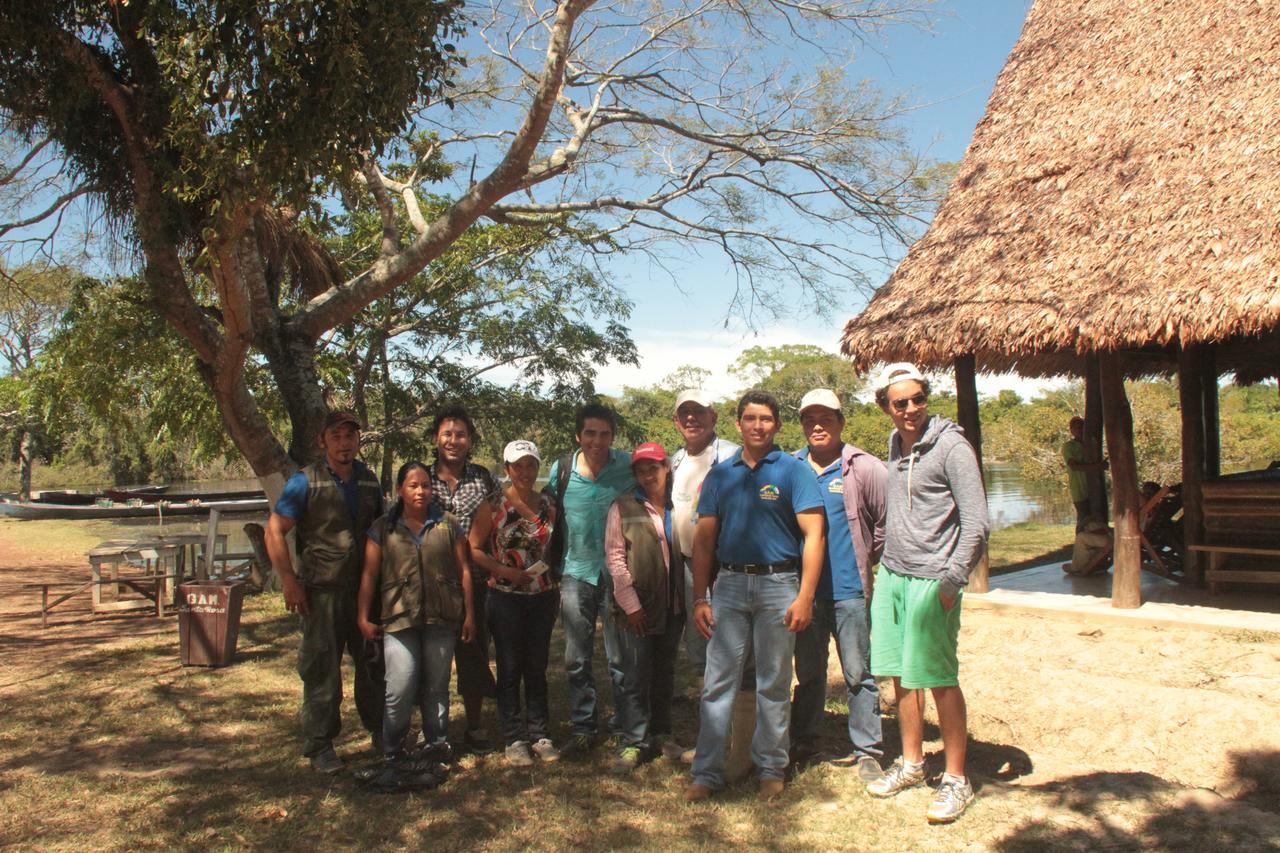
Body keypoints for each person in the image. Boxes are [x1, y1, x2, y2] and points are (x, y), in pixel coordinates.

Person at [684, 390, 825, 802]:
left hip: (779, 585)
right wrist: (699, 597)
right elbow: (704, 541)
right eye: (750, 418)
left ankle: (770, 768)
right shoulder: (721, 474)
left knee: (774, 683)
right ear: (738, 424)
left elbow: (814, 535)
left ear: (776, 425)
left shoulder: (794, 471)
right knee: (717, 683)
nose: (758, 425)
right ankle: (706, 773)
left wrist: (805, 597)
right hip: (728, 585)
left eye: (765, 419)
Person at [867, 363, 989, 825]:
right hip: (894, 575)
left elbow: (977, 522)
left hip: (933, 579)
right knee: (899, 675)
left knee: (938, 676)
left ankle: (957, 779)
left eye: (918, 398)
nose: (912, 409)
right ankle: (913, 763)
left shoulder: (952, 447)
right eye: (901, 402)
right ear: (886, 407)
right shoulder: (895, 444)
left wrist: (953, 579)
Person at [264, 410, 386, 774]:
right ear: (322, 441)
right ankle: (320, 745)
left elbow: (380, 533)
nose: (345, 443)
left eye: (351, 436)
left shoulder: (368, 481)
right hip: (322, 592)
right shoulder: (305, 482)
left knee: (374, 666)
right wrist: (289, 580)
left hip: (365, 591)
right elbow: (275, 530)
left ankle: (381, 732)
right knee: (322, 671)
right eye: (337, 436)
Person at [789, 388, 887, 781]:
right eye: (810, 419)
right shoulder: (791, 466)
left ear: (841, 422)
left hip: (850, 591)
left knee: (859, 674)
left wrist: (864, 556)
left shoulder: (864, 467)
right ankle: (805, 740)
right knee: (809, 672)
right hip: (804, 595)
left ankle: (868, 750)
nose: (817, 425)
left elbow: (885, 524)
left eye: (826, 418)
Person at [356, 462, 475, 776]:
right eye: (413, 485)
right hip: (398, 617)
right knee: (400, 684)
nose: (420, 491)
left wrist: (469, 615)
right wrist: (363, 617)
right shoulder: (383, 527)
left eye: (425, 485)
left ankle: (437, 744)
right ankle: (393, 748)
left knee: (437, 685)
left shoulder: (449, 524)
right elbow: (369, 575)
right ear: (400, 490)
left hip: (443, 617)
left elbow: (464, 571)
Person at [545, 403, 635, 758]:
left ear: (613, 436)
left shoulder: (627, 466)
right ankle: (584, 726)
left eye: (605, 434)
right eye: (590, 434)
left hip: (617, 574)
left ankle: (626, 724)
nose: (597, 441)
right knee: (577, 657)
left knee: (619, 656)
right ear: (578, 436)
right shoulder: (561, 470)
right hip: (575, 573)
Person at [469, 440, 562, 767]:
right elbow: (474, 548)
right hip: (505, 597)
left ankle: (540, 734)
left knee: (537, 667)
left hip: (542, 596)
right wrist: (505, 570)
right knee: (509, 669)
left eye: (531, 465)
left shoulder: (549, 504)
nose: (525, 472)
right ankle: (513, 737)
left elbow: (554, 545)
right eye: (517, 466)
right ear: (506, 469)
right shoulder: (493, 505)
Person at [605, 442, 686, 773]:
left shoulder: (678, 505)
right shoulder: (623, 506)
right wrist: (630, 605)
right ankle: (633, 741)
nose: (648, 474)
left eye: (654, 467)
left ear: (666, 467)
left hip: (673, 605)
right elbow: (615, 556)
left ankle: (661, 734)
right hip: (637, 606)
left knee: (664, 673)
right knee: (636, 674)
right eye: (641, 469)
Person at [427, 407, 500, 755]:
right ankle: (435, 730)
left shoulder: (483, 478)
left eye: (461, 435)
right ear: (435, 439)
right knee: (433, 657)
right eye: (447, 434)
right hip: (432, 581)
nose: (454, 441)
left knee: (473, 653)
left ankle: (474, 726)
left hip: (478, 580)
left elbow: (498, 522)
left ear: (470, 441)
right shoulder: (420, 478)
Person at [669, 390, 738, 677]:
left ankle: (735, 712)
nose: (691, 418)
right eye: (685, 412)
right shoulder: (675, 460)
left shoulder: (732, 455)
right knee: (699, 640)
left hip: (723, 567)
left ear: (714, 417)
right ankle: (709, 708)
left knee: (728, 640)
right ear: (675, 421)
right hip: (686, 563)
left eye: (699, 411)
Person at [1063, 416, 1106, 532]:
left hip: (1094, 488)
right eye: (1077, 428)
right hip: (1079, 489)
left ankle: (1093, 544)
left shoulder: (1091, 444)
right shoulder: (1069, 446)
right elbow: (1074, 466)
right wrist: (1098, 466)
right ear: (1071, 430)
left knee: (1096, 518)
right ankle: (1079, 545)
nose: (1080, 430)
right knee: (1083, 519)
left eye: (1082, 427)